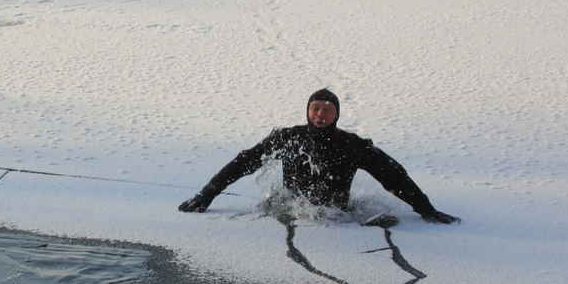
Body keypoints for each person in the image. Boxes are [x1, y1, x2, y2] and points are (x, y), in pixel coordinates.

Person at [178, 88, 460, 224]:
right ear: (307, 111)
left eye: (327, 109)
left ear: (337, 114)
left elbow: (393, 176)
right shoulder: (287, 137)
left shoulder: (352, 145)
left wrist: (425, 209)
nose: (320, 115)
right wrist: (206, 196)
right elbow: (243, 162)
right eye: (315, 108)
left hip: (335, 216)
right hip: (293, 211)